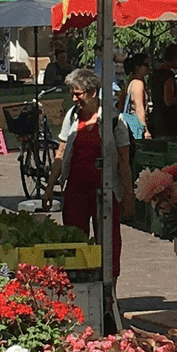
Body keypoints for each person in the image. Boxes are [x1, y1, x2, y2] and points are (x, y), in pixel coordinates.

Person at [57, 67, 132, 267]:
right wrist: (50, 189)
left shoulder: (115, 120)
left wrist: (128, 194)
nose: (73, 98)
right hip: (76, 190)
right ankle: (81, 284)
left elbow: (124, 160)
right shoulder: (72, 116)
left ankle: (109, 292)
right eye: (71, 93)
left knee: (109, 242)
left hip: (106, 190)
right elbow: (61, 152)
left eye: (78, 93)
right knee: (75, 242)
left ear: (92, 93)